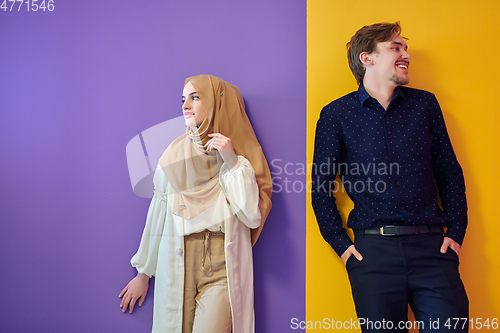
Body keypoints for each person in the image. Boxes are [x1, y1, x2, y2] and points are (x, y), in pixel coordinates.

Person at [311, 22, 468, 332]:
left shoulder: (425, 104)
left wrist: (458, 230)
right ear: (367, 58)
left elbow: (449, 171)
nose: (406, 54)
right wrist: (342, 246)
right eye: (396, 47)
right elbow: (320, 188)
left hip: (433, 250)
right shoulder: (335, 115)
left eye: (404, 47)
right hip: (373, 257)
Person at [119, 75, 273, 333]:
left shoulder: (239, 159)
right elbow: (158, 213)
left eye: (195, 97)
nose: (185, 105)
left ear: (216, 103)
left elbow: (252, 216)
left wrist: (231, 161)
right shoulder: (173, 155)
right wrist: (143, 273)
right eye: (183, 99)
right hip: (178, 258)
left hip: (222, 264)